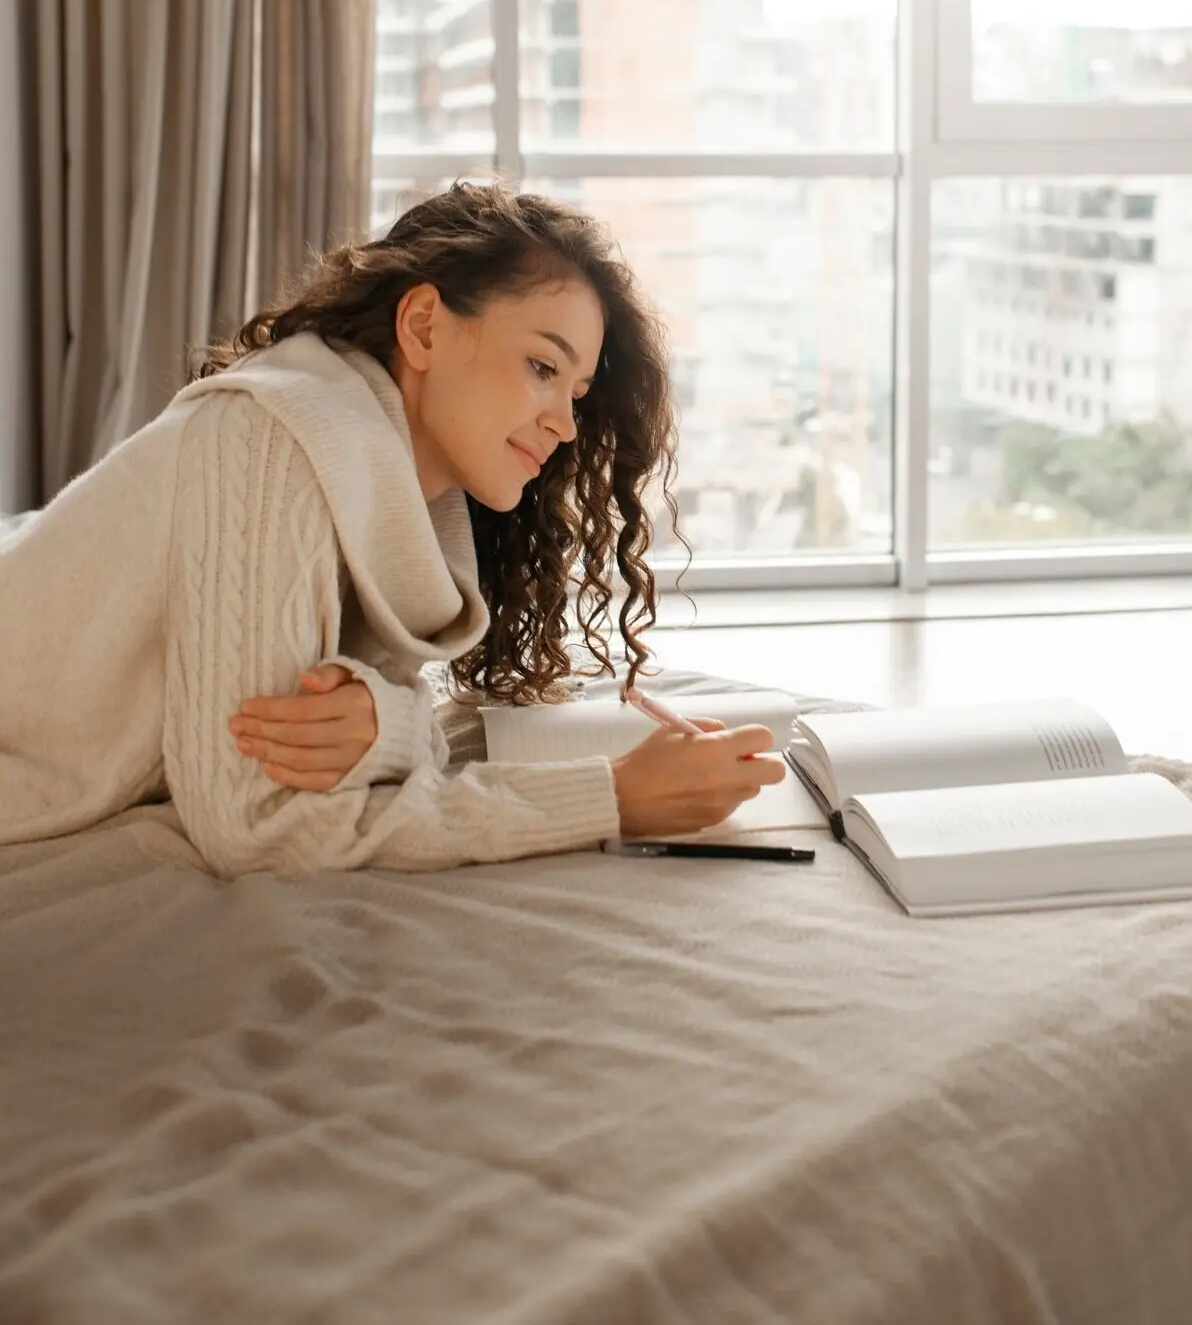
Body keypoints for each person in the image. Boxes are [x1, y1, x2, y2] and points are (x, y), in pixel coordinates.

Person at [0, 183, 782, 874]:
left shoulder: (407, 491)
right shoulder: (277, 439)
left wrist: (392, 726)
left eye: (575, 393)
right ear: (424, 328)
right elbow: (255, 823)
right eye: (542, 367)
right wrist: (609, 796)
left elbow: (392, 707)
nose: (566, 428)